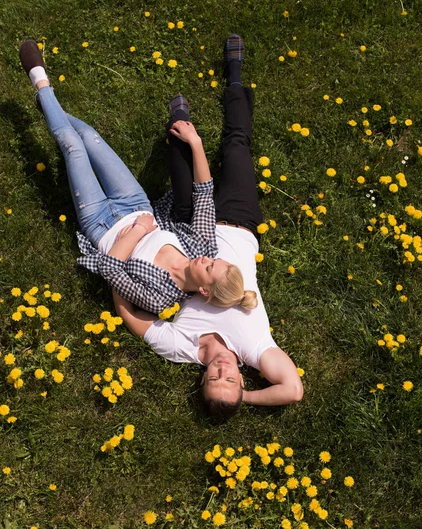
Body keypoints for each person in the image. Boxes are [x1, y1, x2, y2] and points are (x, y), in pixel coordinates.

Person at [113, 35, 304, 419]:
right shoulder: (254, 347)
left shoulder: (181, 348)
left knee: (182, 168)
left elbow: (134, 320)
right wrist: (243, 400)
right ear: (243, 379)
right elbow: (293, 390)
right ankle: (234, 76)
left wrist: (115, 281)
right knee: (236, 146)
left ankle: (178, 121)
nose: (222, 371)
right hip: (237, 220)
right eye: (231, 381)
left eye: (215, 379)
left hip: (189, 231)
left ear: (202, 380)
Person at [19, 40, 256, 316]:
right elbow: (203, 193)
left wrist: (139, 231)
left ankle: (40, 81)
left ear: (204, 290)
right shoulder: (203, 246)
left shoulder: (162, 299)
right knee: (90, 137)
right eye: (217, 261)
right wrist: (196, 142)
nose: (207, 259)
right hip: (133, 202)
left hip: (99, 224)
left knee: (72, 146)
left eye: (209, 267)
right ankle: (50, 108)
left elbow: (108, 269)